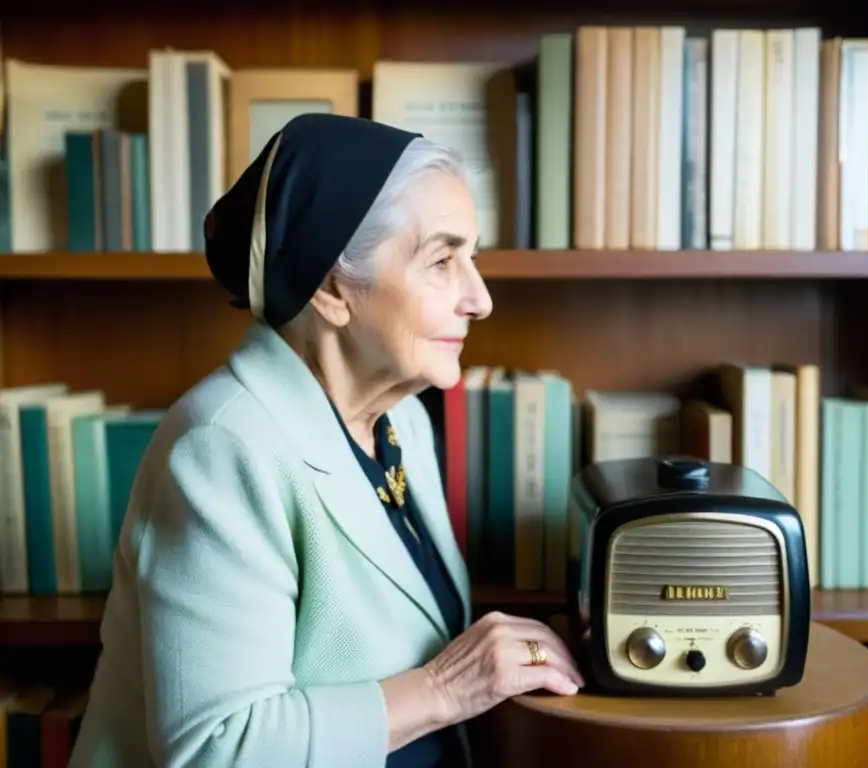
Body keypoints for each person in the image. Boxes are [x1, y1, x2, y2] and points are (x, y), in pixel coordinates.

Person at [69, 113, 583, 768]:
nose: (479, 299)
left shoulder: (405, 421)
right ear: (334, 288)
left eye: (472, 258)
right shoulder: (221, 445)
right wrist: (444, 689)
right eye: (443, 261)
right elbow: (214, 749)